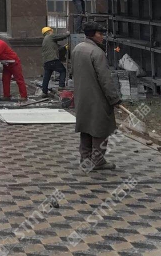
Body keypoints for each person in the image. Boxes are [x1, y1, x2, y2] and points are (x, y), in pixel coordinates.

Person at [71, 21, 121, 171]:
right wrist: (114, 98)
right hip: (97, 97)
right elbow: (105, 79)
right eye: (100, 34)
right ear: (92, 34)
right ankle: (98, 161)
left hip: (82, 96)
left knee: (86, 127)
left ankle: (85, 158)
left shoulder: (77, 49)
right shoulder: (97, 52)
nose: (102, 37)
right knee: (100, 129)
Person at [41, 26, 70, 97]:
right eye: (51, 31)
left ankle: (44, 92)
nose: (52, 32)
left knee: (46, 77)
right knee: (63, 70)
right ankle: (61, 86)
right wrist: (67, 34)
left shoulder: (45, 40)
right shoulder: (50, 36)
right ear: (48, 31)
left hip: (46, 61)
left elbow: (57, 48)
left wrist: (64, 47)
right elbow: (60, 36)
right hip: (53, 59)